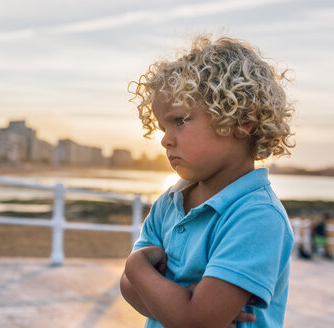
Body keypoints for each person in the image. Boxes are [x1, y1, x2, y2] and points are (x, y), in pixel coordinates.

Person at [120, 35, 295, 328]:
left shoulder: (256, 216)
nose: (165, 139)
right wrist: (177, 302)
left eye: (179, 120)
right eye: (162, 126)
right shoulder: (169, 203)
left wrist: (136, 267)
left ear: (242, 121)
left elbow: (195, 322)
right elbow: (130, 290)